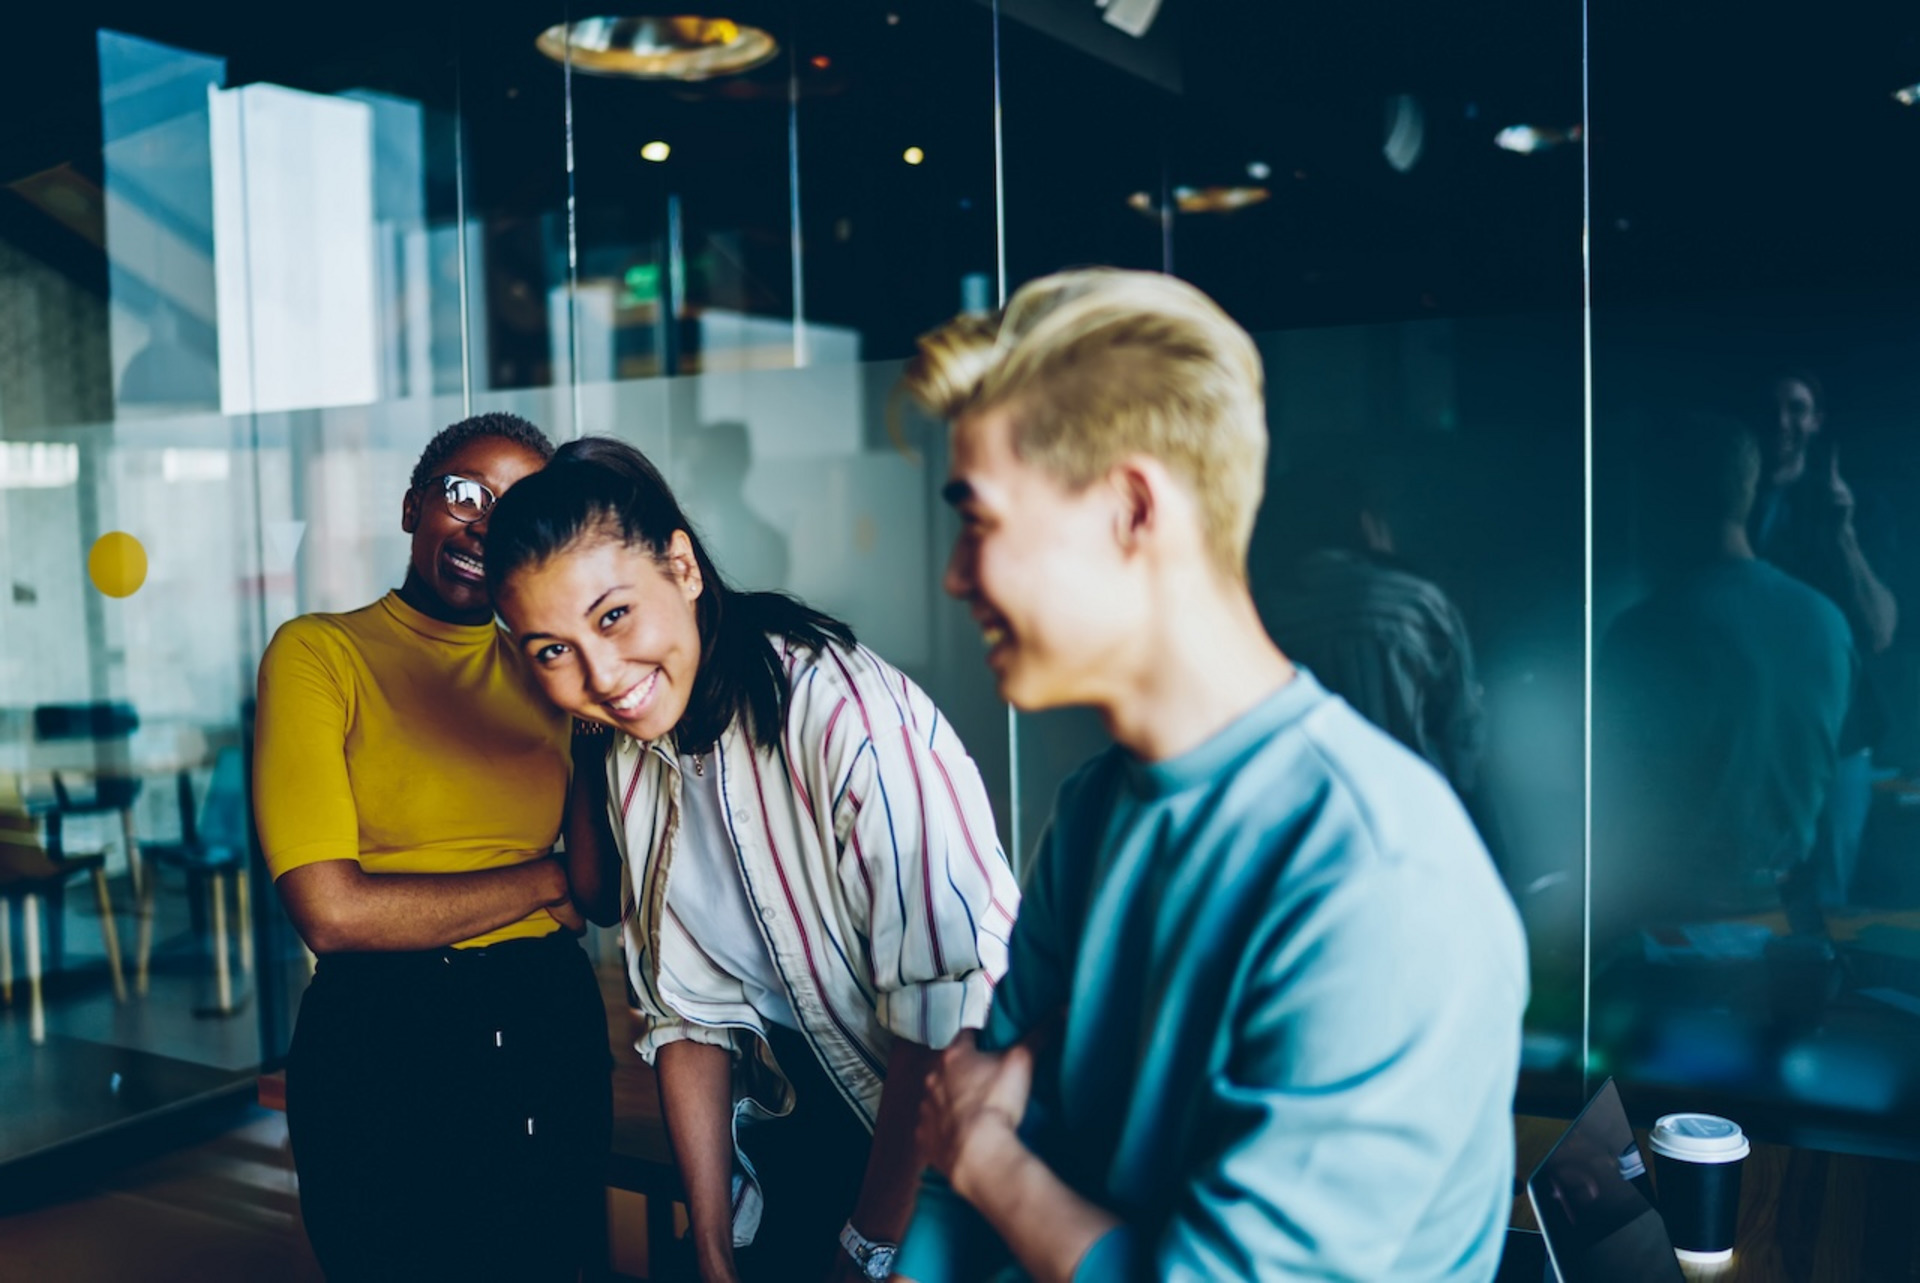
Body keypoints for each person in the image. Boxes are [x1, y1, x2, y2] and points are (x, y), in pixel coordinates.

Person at [896, 269, 1529, 1282]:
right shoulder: (1095, 810)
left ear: (1131, 508)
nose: (954, 574)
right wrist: (975, 1161)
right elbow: (960, 1130)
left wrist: (993, 1163)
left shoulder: (1382, 882)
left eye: (981, 520)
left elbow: (972, 1139)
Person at [483, 436, 1020, 1283]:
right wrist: (709, 1248)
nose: (603, 674)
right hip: (804, 1131)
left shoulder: (842, 717)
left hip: (960, 1146)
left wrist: (870, 1247)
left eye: (613, 615)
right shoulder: (630, 752)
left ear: (683, 568)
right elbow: (686, 1020)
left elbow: (949, 1020)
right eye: (553, 649)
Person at [252, 412, 613, 1282]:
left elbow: (602, 895)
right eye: (464, 494)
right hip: (382, 1028)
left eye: (516, 507)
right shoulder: (320, 653)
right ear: (415, 505)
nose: (484, 524)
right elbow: (332, 913)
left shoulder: (554, 670)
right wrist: (541, 877)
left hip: (545, 1020)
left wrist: (592, 706)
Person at [1595, 415, 1853, 937]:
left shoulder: (1643, 634)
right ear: (1748, 489)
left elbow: (1611, 801)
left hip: (1668, 925)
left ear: (1657, 500)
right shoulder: (1827, 622)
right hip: (1790, 926)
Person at [1257, 458, 1486, 798]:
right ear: (1366, 523)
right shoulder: (1417, 601)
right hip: (1418, 807)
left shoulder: (1264, 612)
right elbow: (1462, 733)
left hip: (1303, 814)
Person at [1751, 370, 1896, 903]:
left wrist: (1845, 535)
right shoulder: (1727, 507)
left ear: (1816, 421)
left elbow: (1880, 631)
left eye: (1796, 408)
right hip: (1754, 731)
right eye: (1773, 409)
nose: (1782, 423)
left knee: (1826, 897)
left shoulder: (1853, 508)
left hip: (1838, 735)